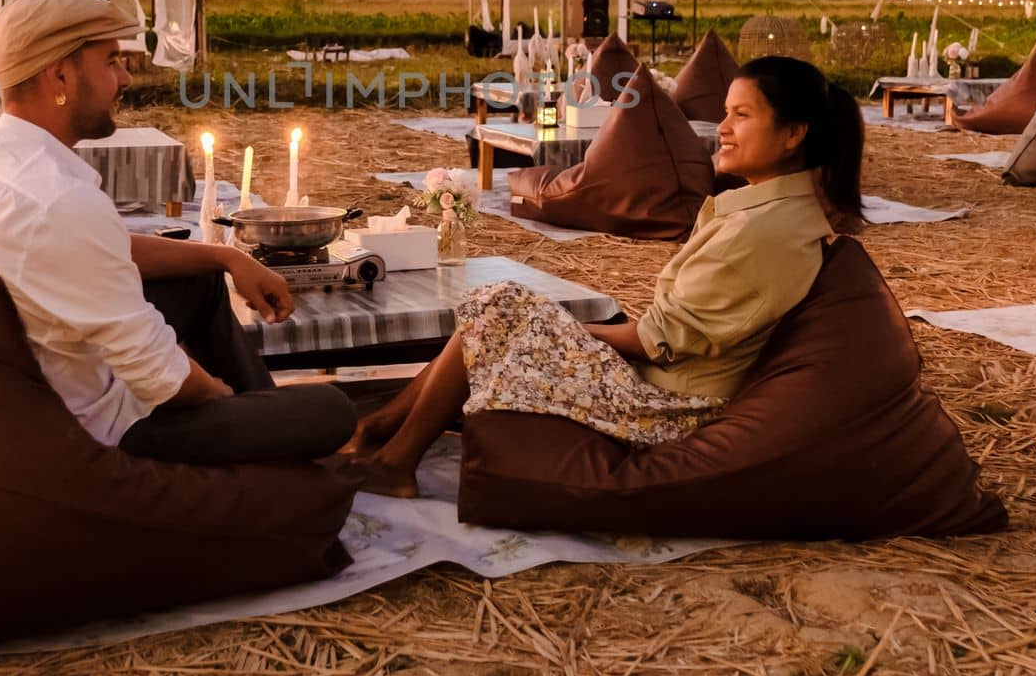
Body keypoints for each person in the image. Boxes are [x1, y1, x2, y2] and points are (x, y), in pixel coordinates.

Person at [349, 56, 864, 496]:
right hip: (664, 381)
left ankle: (393, 455)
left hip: (668, 407)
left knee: (505, 309)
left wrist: (560, 329)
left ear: (795, 133)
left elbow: (656, 340)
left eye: (742, 115)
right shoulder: (773, 211)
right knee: (503, 307)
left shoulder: (763, 231)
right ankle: (385, 430)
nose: (723, 128)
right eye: (725, 112)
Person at [0, 0, 354, 465]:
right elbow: (161, 377)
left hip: (11, 392)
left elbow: (101, 250)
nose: (125, 78)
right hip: (82, 430)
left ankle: (263, 427)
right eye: (111, 62)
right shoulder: (60, 199)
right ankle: (261, 440)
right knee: (329, 410)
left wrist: (226, 256)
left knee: (197, 280)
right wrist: (232, 405)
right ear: (59, 74)